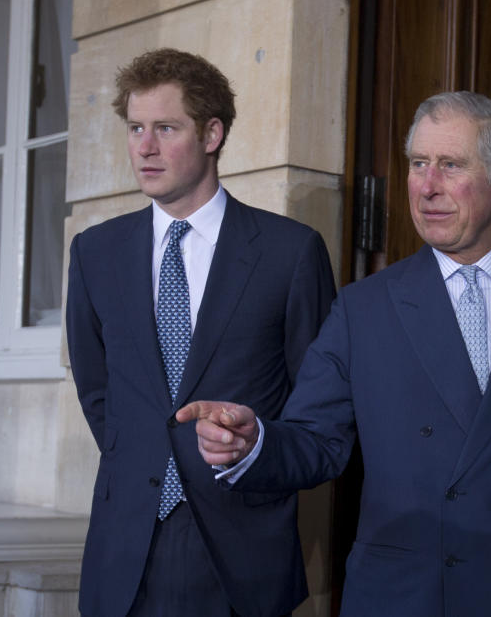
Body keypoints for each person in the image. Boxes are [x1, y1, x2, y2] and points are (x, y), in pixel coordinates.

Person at [178, 91, 491, 616]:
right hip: (403, 597)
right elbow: (315, 440)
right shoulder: (363, 309)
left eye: (450, 165)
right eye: (417, 164)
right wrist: (253, 443)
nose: (427, 187)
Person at [66, 48, 335, 617]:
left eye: (166, 128)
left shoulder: (291, 254)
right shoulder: (95, 253)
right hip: (123, 554)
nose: (145, 146)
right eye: (136, 128)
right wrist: (143, 458)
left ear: (212, 134)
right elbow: (99, 394)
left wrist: (252, 447)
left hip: (240, 552)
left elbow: (323, 420)